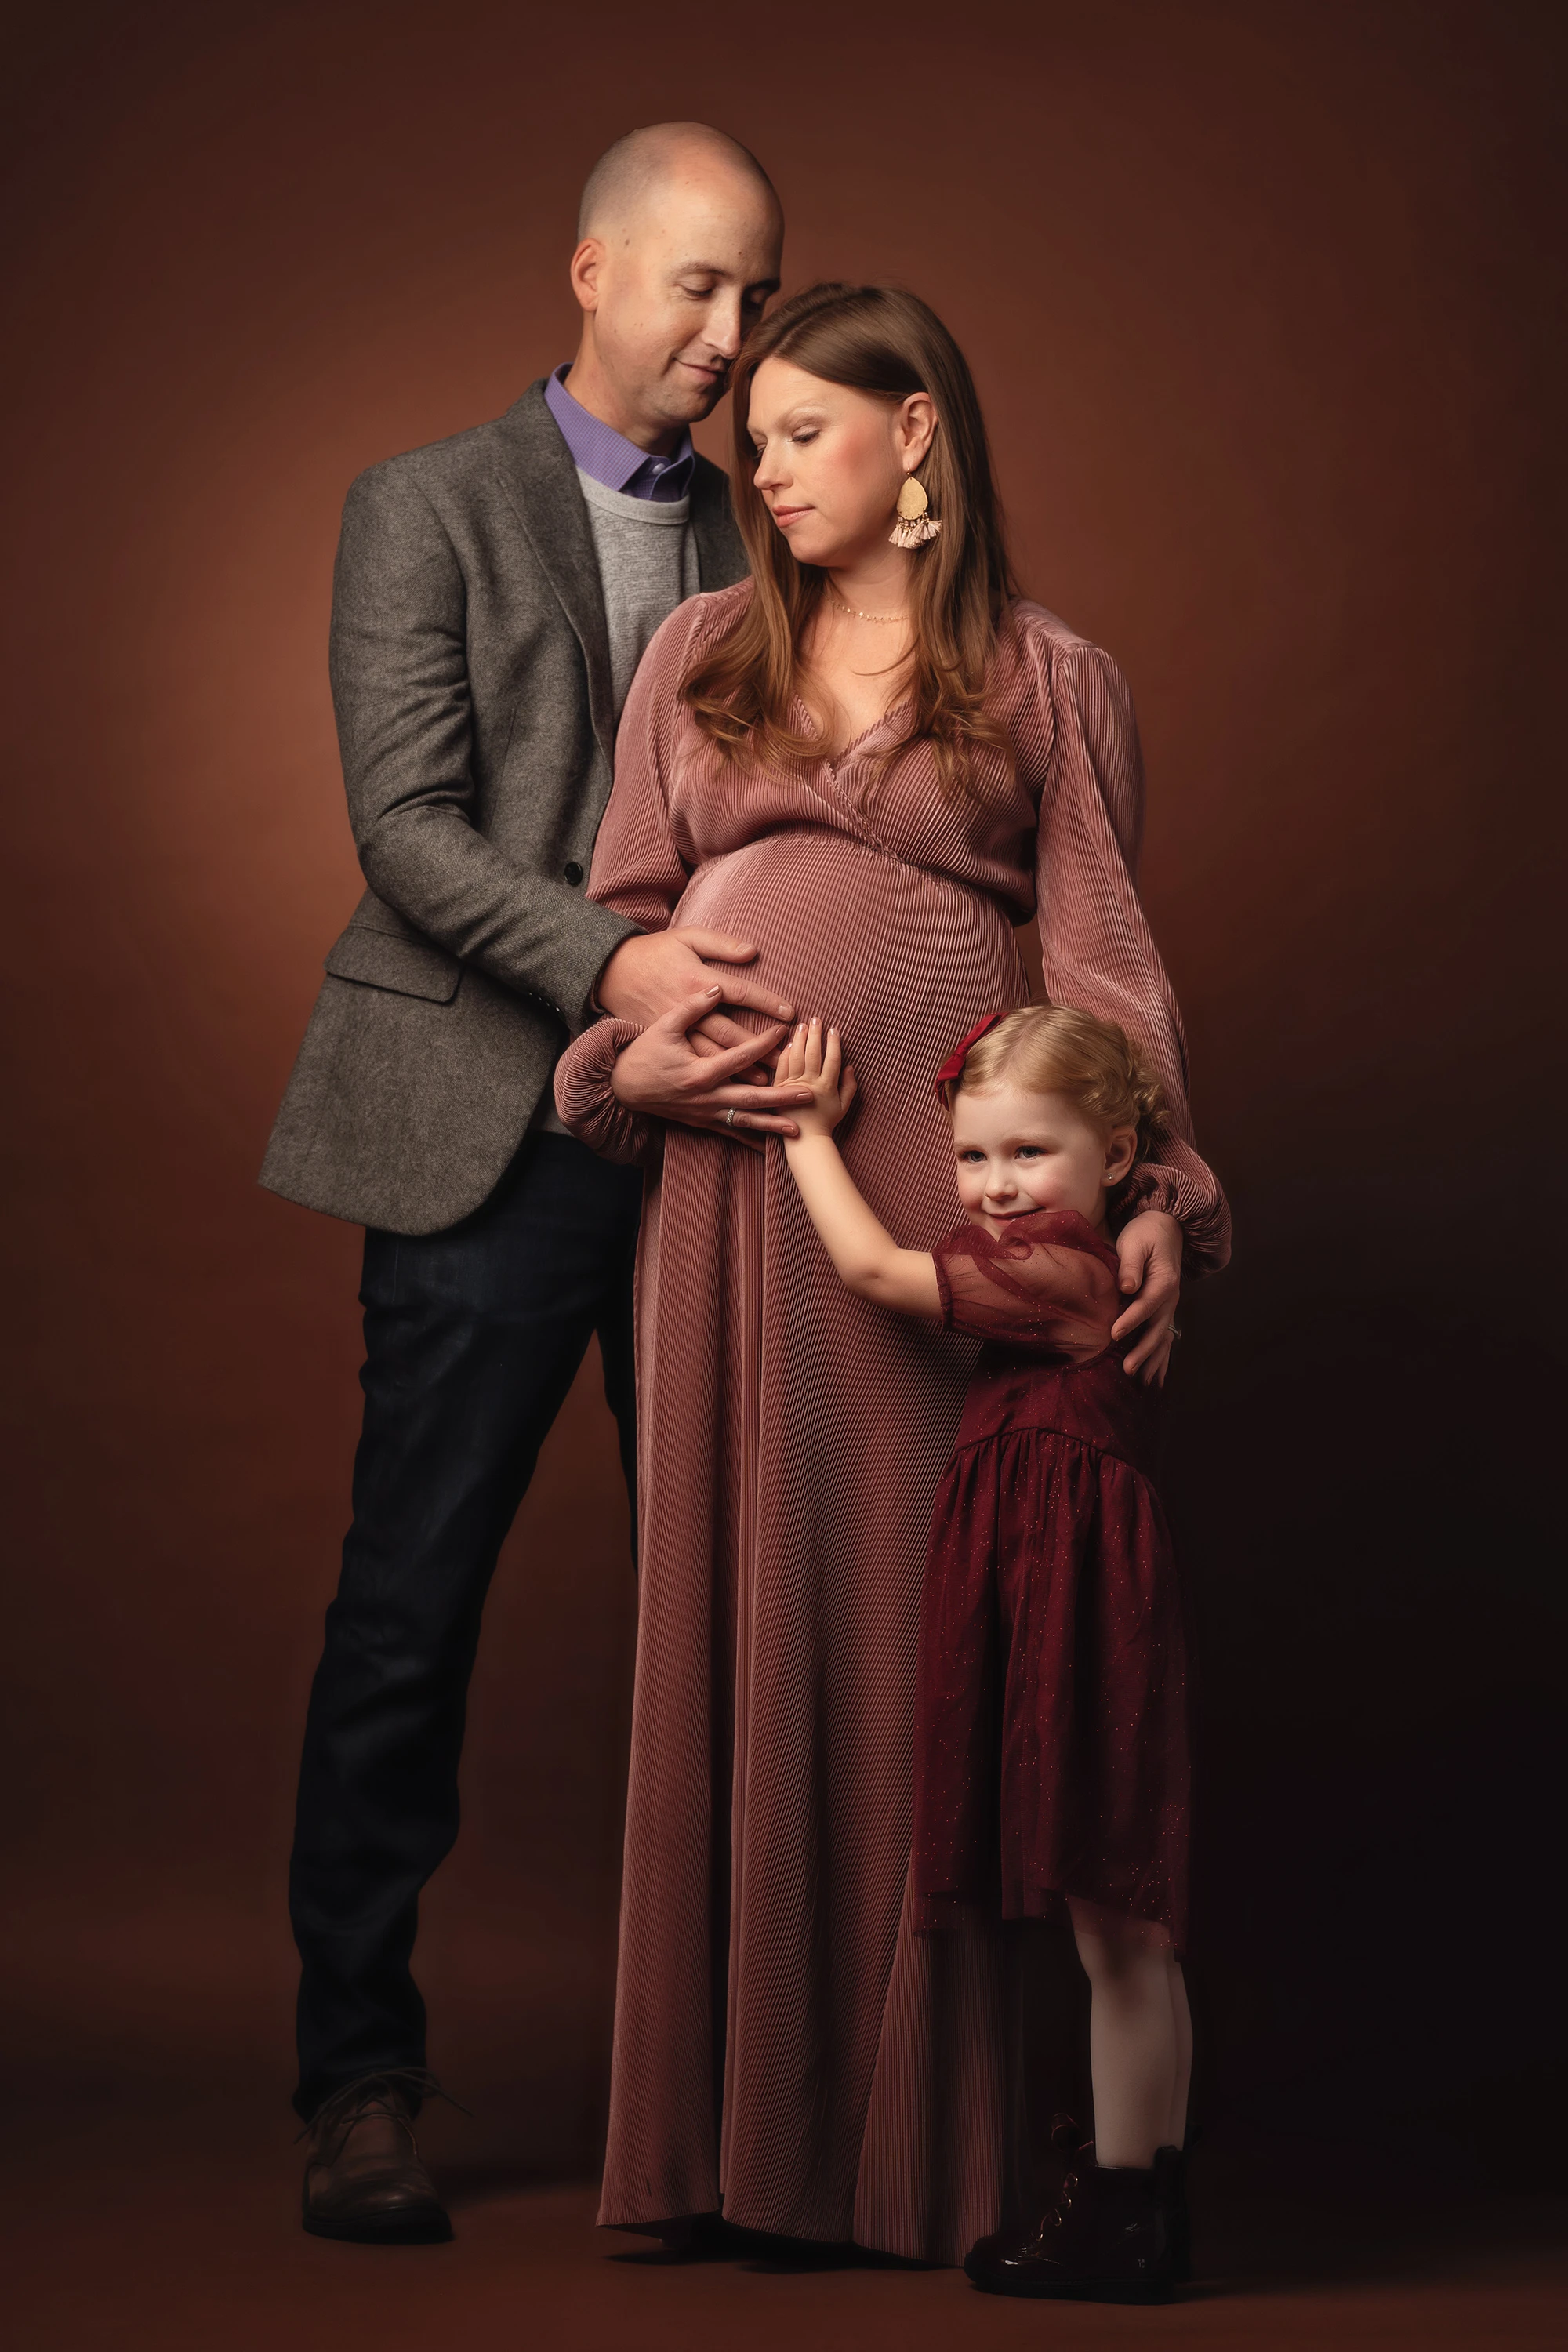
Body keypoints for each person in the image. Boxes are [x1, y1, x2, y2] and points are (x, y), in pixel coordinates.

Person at [554, 280, 1229, 2262]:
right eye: (746, 439)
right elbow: (621, 926)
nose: (754, 467)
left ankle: (900, 2162)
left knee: (897, 1635)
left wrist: (1154, 1199)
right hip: (727, 1194)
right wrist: (632, 1054)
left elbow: (1110, 977)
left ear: (914, 431)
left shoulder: (1044, 674)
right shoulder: (694, 650)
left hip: (934, 1205)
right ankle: (713, 2155)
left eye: (797, 433)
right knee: (729, 1618)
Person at [259, 123, 800, 2245]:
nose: (735, 338)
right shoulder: (424, 503)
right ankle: (360, 2079)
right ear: (588, 275)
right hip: (491, 1137)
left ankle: (766, 2090)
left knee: (757, 1625)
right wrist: (623, 964)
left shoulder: (790, 520)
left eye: (762, 294)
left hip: (722, 1148)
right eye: (697, 290)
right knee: (409, 1617)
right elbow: (406, 824)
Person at [775, 1005, 1194, 2302]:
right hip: (1040, 1585)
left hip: (1081, 1597)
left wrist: (804, 1138)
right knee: (1114, 1929)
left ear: (1115, 1153)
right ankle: (1136, 2198)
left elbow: (876, 1276)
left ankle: (1130, 2210)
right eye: (974, 1160)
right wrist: (1161, 1208)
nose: (998, 1188)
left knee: (1118, 1926)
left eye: (1031, 1155)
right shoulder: (1093, 1242)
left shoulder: (1071, 1270)